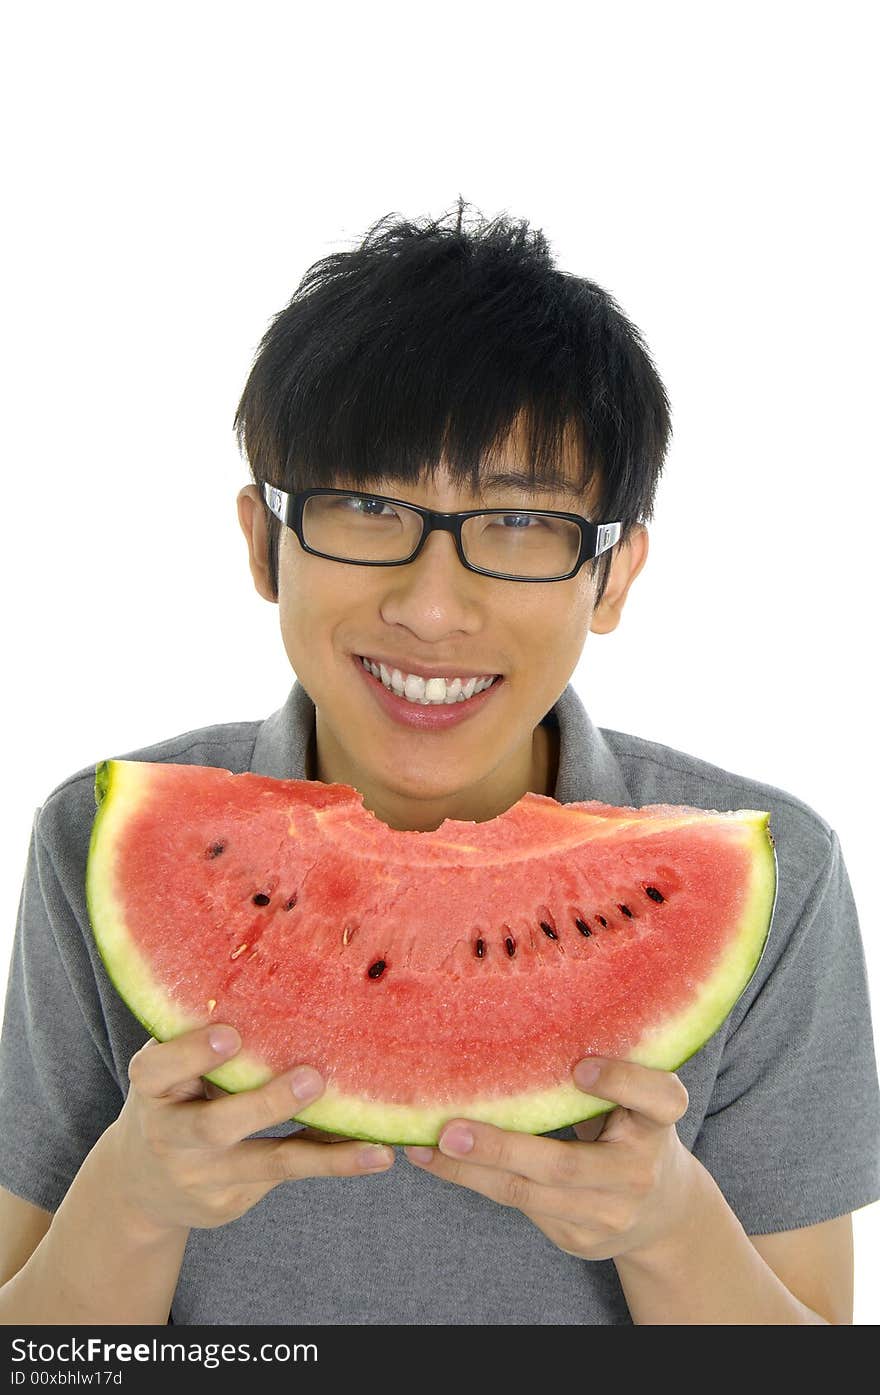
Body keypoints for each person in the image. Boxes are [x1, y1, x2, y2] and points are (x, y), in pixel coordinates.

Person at [1, 201, 878, 1328]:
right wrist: (128, 1201)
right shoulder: (99, 836)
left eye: (519, 526)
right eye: (366, 508)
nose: (429, 607)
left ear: (612, 578)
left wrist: (668, 1227)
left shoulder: (773, 872)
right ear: (264, 545)